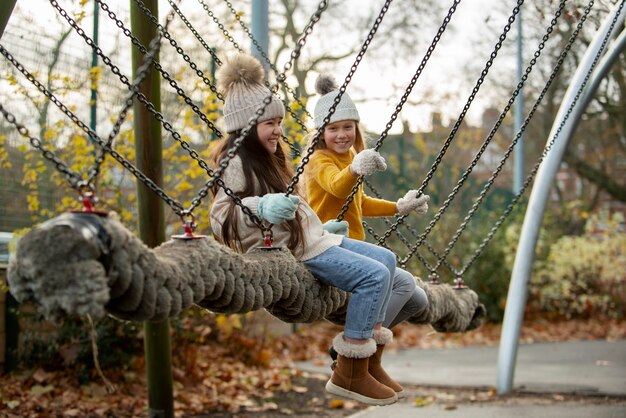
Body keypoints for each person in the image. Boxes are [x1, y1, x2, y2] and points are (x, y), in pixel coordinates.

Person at [209, 53, 402, 406]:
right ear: (246, 126)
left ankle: (369, 362)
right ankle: (349, 371)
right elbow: (220, 214)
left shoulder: (273, 157)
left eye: (279, 121)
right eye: (270, 123)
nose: (278, 130)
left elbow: (298, 206)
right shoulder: (235, 161)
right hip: (295, 251)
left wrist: (318, 224)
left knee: (387, 260)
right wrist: (261, 206)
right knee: (373, 277)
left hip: (313, 237)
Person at [303, 74, 431, 397]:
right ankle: (352, 359)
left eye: (348, 127)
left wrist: (398, 207)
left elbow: (360, 202)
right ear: (321, 132)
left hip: (354, 246)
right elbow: (336, 184)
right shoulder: (319, 160)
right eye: (333, 129)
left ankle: (364, 358)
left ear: (357, 128)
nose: (342, 135)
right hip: (328, 246)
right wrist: (355, 168)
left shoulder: (349, 158)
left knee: (416, 297)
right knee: (387, 275)